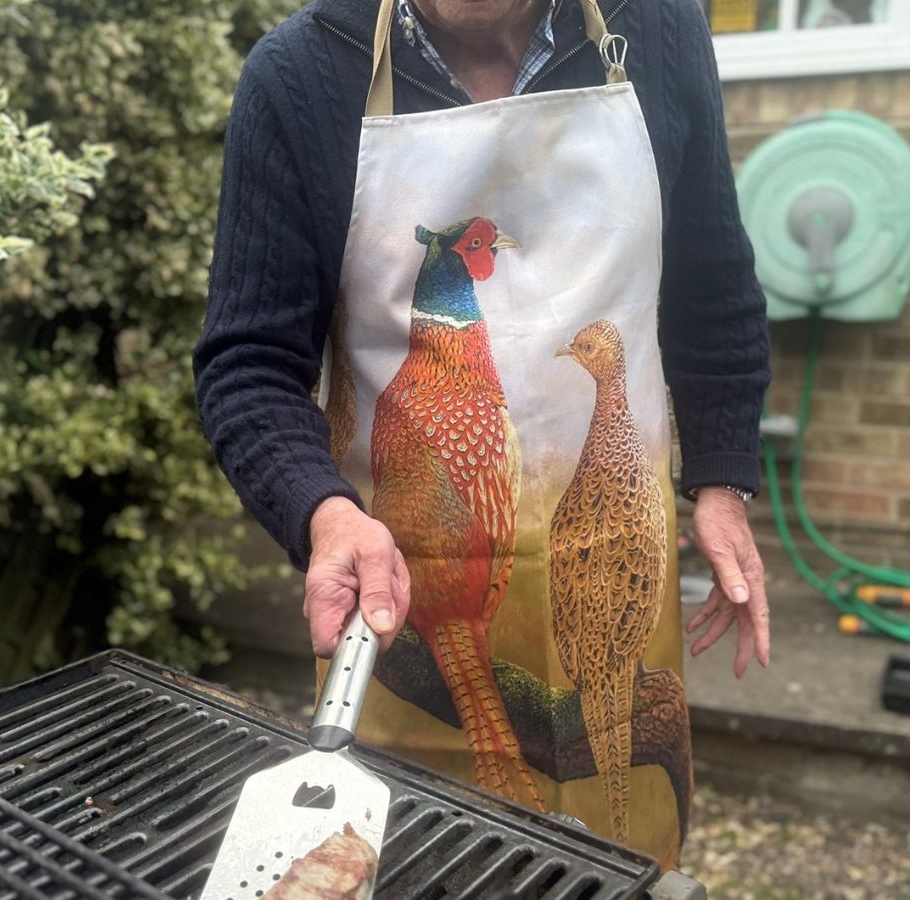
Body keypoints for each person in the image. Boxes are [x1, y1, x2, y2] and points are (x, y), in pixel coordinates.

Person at [194, 0, 771, 868]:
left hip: (609, 560)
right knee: (416, 857)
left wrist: (723, 480)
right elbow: (248, 363)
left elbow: (711, 281)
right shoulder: (302, 76)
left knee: (613, 853)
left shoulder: (657, 24)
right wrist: (325, 514)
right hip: (398, 594)